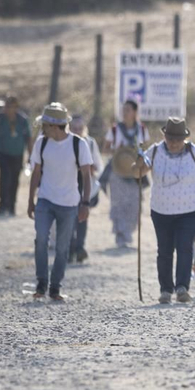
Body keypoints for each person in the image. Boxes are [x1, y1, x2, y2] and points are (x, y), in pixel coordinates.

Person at [143, 117, 195, 305]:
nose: (174, 143)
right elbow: (138, 171)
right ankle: (165, 289)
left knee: (185, 246)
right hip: (161, 210)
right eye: (170, 139)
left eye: (178, 139)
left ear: (184, 138)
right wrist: (136, 163)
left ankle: (182, 287)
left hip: (190, 210)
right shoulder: (154, 151)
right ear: (165, 136)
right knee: (164, 250)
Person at [26, 102, 94, 302]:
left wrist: (85, 203)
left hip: (69, 203)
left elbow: (87, 176)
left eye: (45, 125)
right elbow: (36, 173)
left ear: (54, 126)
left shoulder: (78, 144)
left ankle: (55, 287)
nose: (42, 129)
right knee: (41, 240)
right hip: (45, 200)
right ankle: (41, 283)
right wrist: (31, 200)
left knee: (63, 247)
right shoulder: (41, 143)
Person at [104, 100, 149, 249]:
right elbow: (106, 148)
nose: (125, 113)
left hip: (135, 173)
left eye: (128, 110)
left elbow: (147, 149)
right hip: (118, 170)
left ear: (135, 112)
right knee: (118, 204)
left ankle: (128, 232)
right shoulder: (115, 129)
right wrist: (118, 151)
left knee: (134, 204)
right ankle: (121, 236)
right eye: (124, 110)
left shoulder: (142, 129)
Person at [0, 95, 32, 217]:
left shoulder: (22, 121)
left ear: (15, 108)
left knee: (14, 180)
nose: (7, 109)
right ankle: (2, 206)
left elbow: (28, 138)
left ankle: (11, 207)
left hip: (17, 154)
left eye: (10, 107)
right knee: (4, 178)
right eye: (6, 106)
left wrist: (31, 154)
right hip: (3, 153)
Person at [68, 113, 103, 264]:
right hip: (68, 185)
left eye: (80, 128)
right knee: (69, 219)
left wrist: (90, 168)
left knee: (82, 217)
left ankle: (80, 247)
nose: (77, 131)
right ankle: (70, 248)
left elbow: (98, 166)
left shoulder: (90, 143)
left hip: (85, 185)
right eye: (74, 128)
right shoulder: (65, 142)